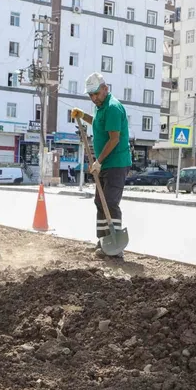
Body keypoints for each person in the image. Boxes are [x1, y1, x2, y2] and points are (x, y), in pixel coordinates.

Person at [70, 72, 132, 258]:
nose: (94, 98)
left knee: (110, 202)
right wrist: (83, 116)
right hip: (105, 164)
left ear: (105, 88)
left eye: (96, 93)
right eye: (91, 95)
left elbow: (114, 139)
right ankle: (104, 241)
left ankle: (116, 247)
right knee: (100, 201)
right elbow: (98, 122)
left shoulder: (113, 107)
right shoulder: (100, 106)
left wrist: (99, 161)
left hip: (116, 164)